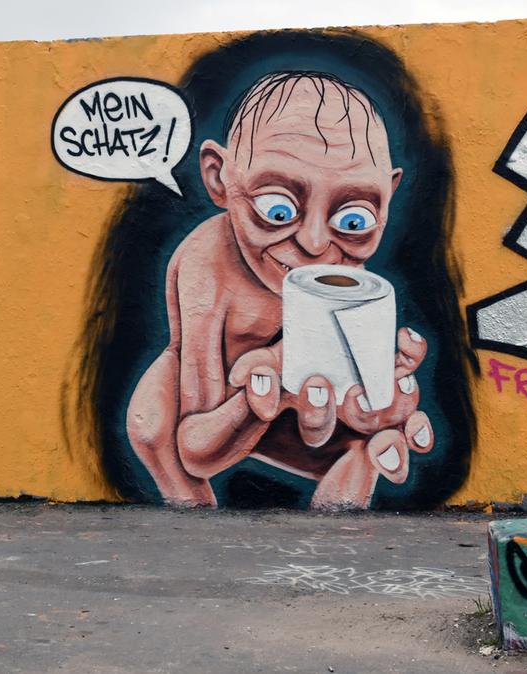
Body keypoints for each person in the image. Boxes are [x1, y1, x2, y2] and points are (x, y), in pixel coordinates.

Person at [125, 72, 433, 509]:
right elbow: (196, 450)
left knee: (372, 437)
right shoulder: (208, 265)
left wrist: (377, 397)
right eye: (277, 208)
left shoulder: (347, 279)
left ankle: (340, 517)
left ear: (389, 195)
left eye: (354, 219)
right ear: (219, 178)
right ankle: (195, 522)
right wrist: (269, 386)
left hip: (296, 424)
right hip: (218, 419)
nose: (314, 243)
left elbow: (348, 407)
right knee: (149, 421)